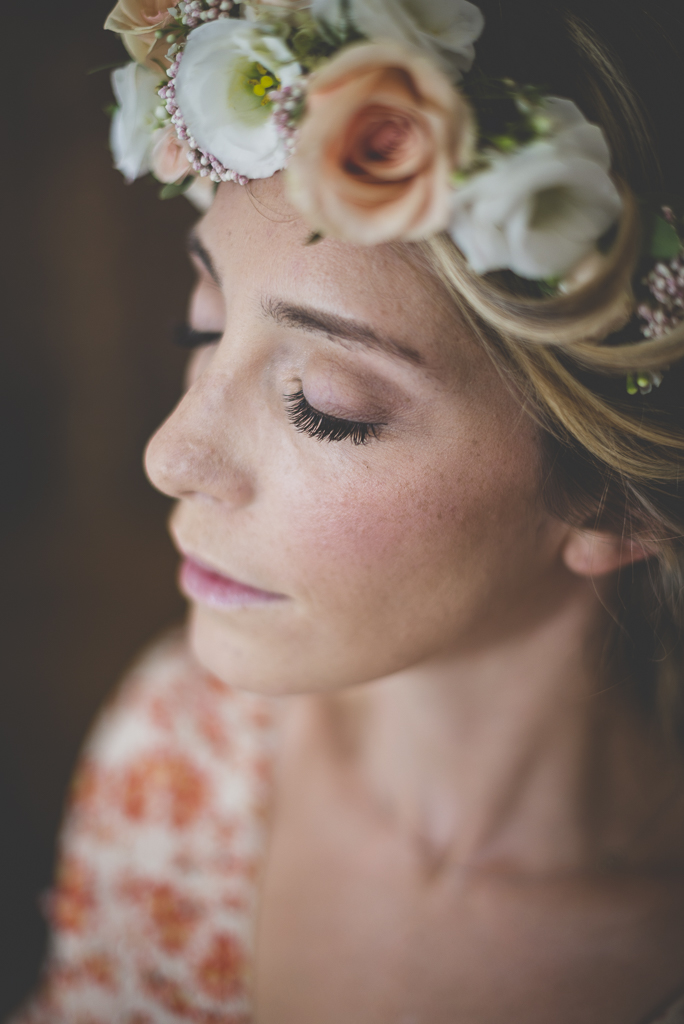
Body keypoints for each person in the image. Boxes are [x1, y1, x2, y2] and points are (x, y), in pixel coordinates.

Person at [10, 0, 684, 1021]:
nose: (168, 455)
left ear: (612, 502)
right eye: (202, 325)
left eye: (325, 404)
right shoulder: (180, 752)